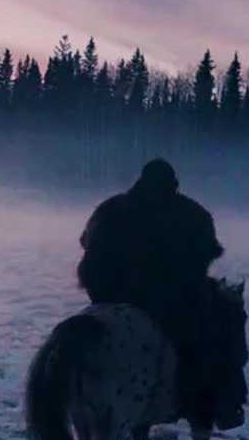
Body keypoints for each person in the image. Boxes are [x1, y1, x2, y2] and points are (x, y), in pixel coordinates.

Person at [76, 158, 225, 419]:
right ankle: (209, 404)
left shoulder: (110, 209)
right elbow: (208, 254)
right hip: (167, 302)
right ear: (173, 184)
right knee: (207, 345)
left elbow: (86, 243)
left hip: (107, 295)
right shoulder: (193, 213)